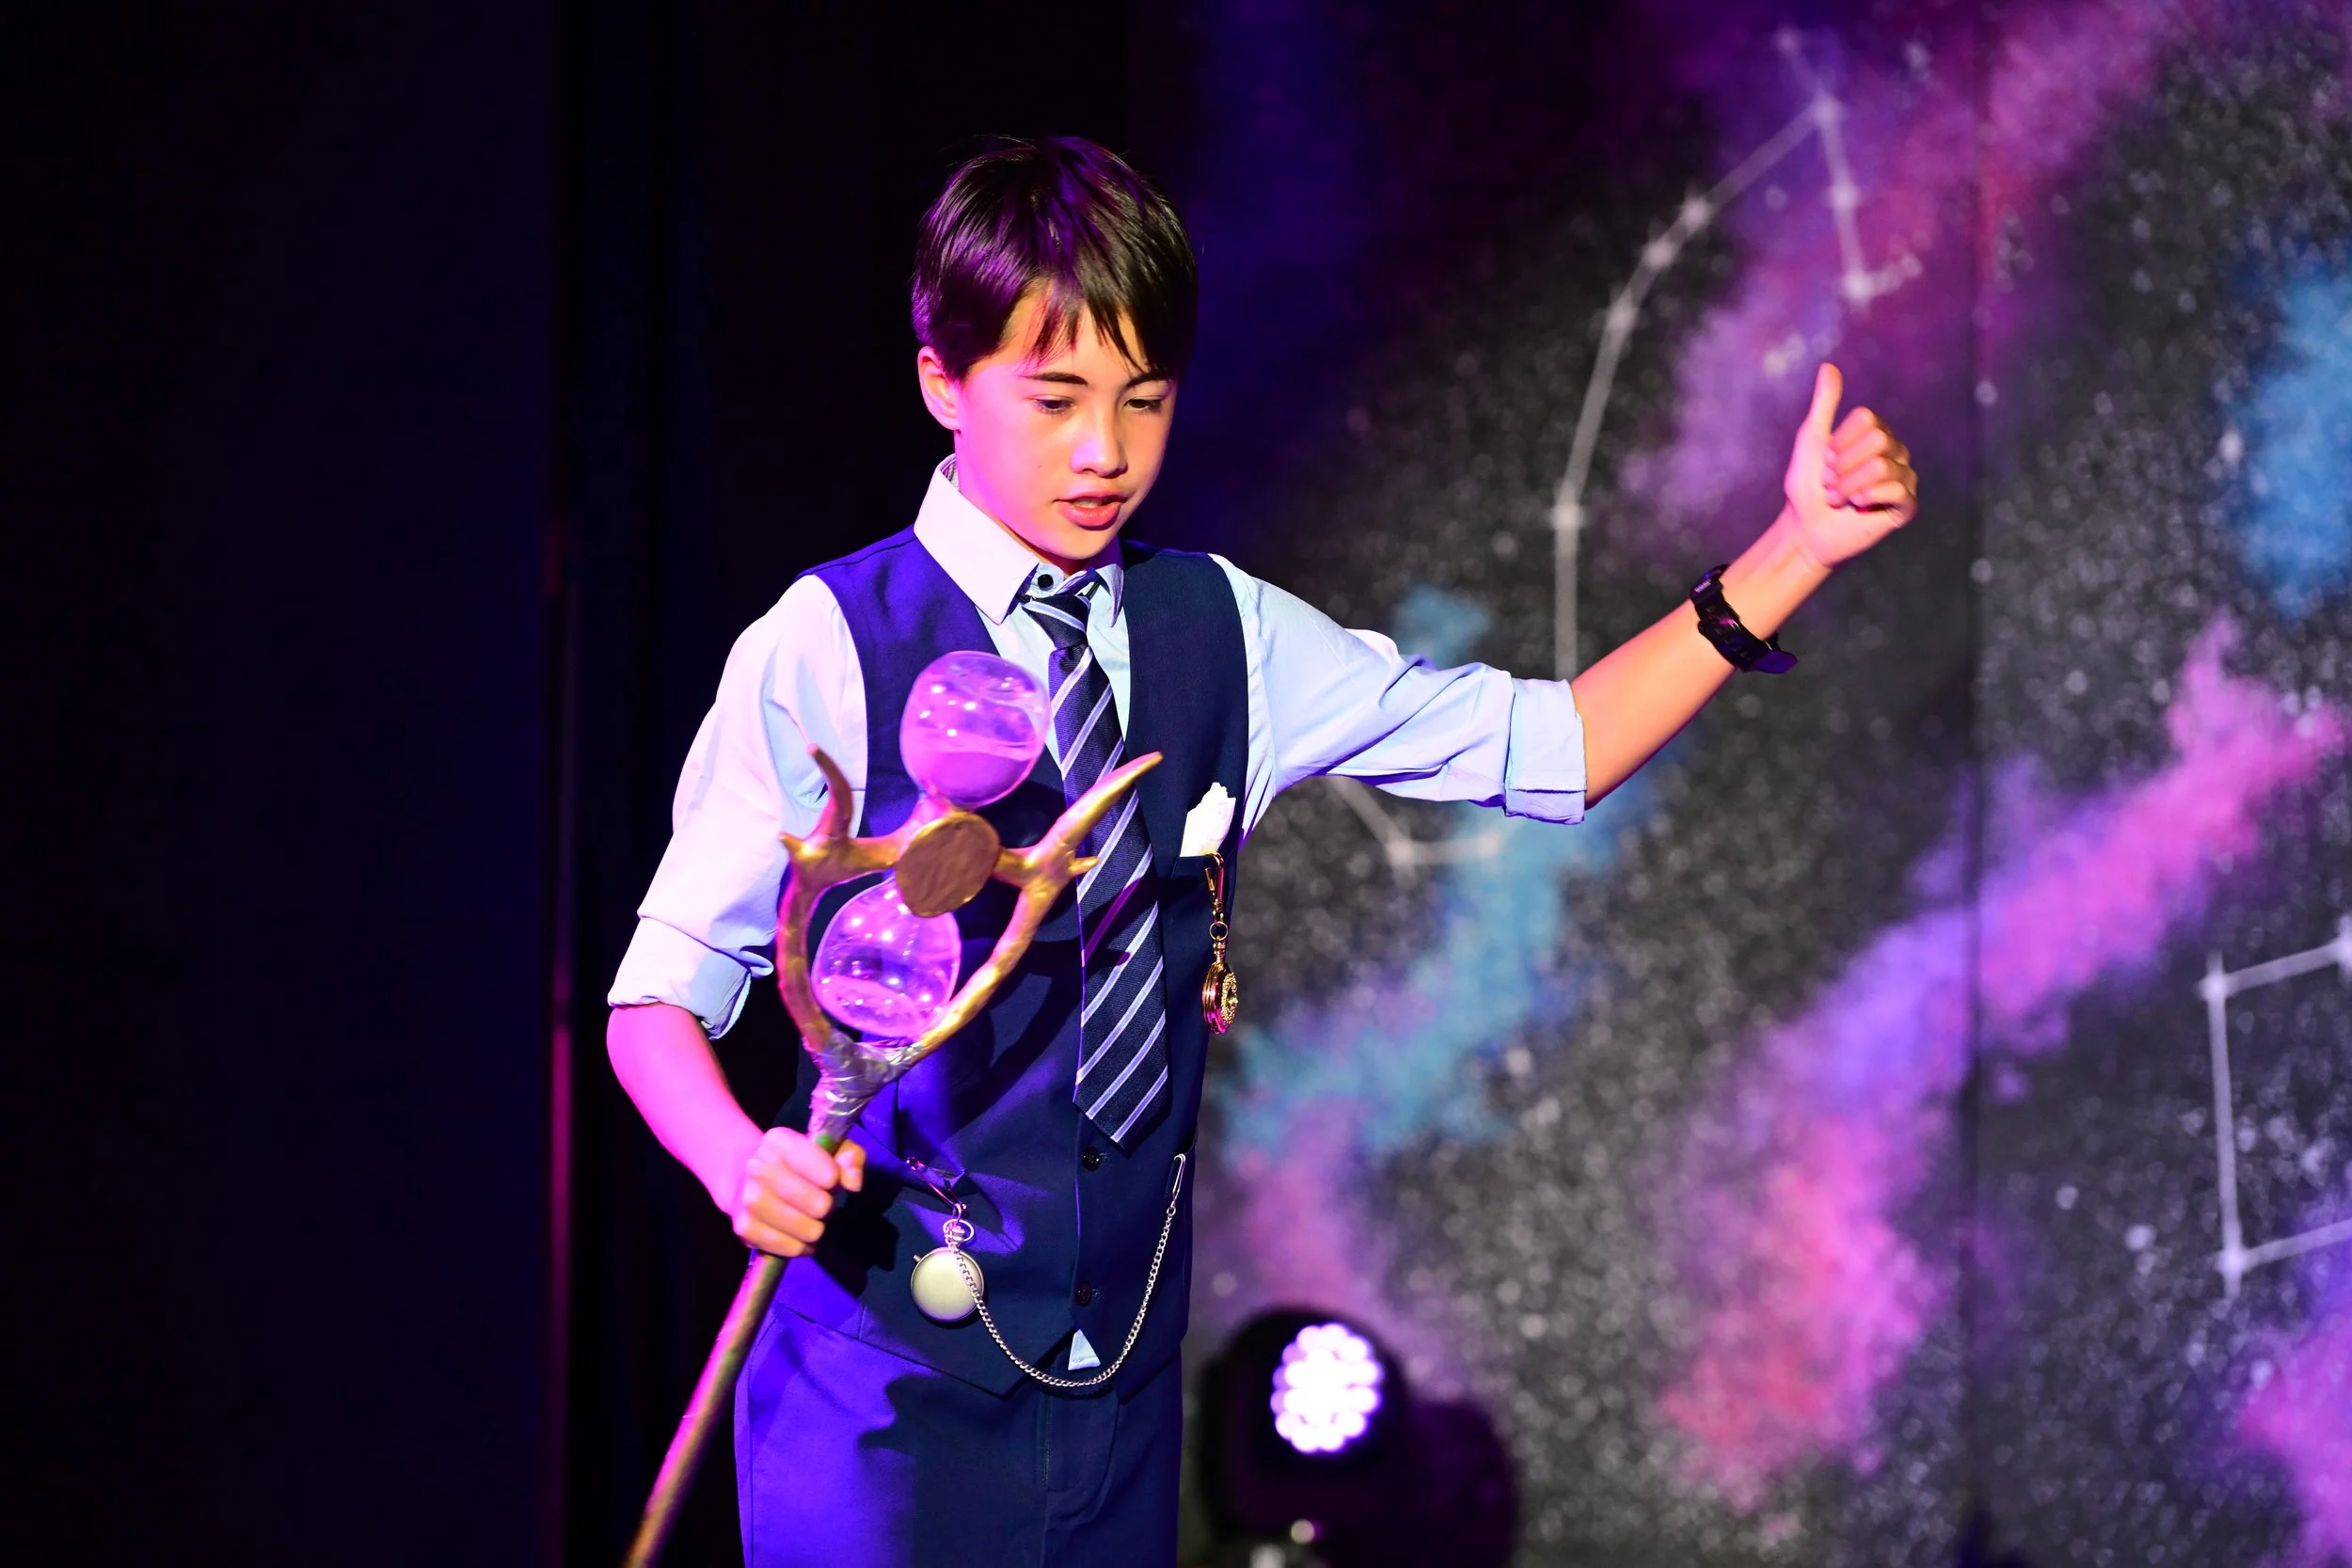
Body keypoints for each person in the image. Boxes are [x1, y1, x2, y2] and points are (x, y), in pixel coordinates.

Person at [606, 135, 1917, 1567]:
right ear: (941, 381)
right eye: (1053, 400)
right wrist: (737, 1160)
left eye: (1144, 399)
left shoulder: (1220, 628)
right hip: (884, 1396)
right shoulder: (830, 641)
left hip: (1116, 1397)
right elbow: (656, 998)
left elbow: (1558, 747)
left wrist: (1794, 551)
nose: (1105, 452)